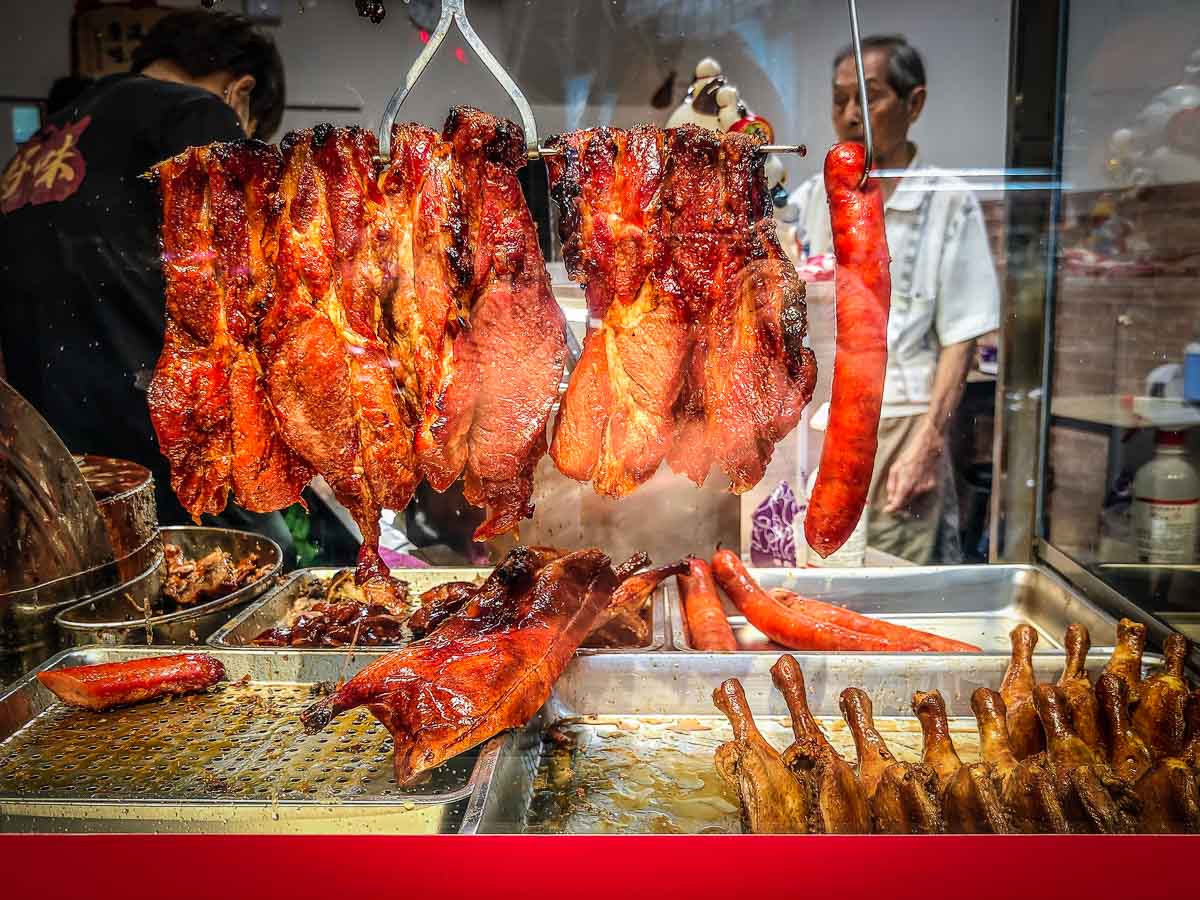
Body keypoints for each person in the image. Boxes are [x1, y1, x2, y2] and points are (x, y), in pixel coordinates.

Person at [0, 12, 301, 553]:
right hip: (151, 464)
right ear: (240, 94)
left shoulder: (49, 137)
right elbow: (242, 289)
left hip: (43, 473)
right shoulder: (195, 113)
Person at [791, 35, 1000, 564]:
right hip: (816, 427)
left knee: (892, 577)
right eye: (839, 100)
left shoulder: (949, 202)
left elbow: (962, 336)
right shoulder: (811, 198)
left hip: (905, 422)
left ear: (915, 103)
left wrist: (928, 441)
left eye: (869, 98)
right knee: (812, 575)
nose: (850, 115)